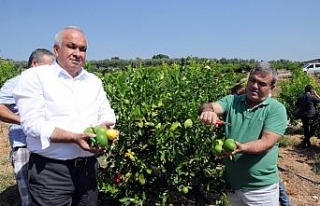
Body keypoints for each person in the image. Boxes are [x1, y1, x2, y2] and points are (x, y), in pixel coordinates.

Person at [13, 26, 116, 206]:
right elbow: (32, 124)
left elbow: (106, 114)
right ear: (56, 49)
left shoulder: (93, 81)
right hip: (51, 172)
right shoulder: (35, 77)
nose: (78, 53)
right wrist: (74, 138)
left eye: (83, 49)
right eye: (72, 46)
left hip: (88, 170)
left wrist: (106, 131)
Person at [199, 62, 288, 205]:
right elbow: (210, 106)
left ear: (272, 87)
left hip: (260, 190)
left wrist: (242, 148)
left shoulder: (276, 109)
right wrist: (208, 111)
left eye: (261, 84)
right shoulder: (232, 101)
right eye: (252, 80)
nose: (254, 86)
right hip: (232, 186)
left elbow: (266, 143)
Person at [0, 48, 55, 206]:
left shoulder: (48, 85)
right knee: (27, 192)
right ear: (34, 64)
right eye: (48, 67)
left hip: (46, 143)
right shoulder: (16, 83)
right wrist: (24, 121)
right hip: (23, 143)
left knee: (46, 190)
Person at [230, 82, 291, 205]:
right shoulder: (237, 109)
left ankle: (286, 203)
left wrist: (243, 147)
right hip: (236, 185)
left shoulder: (273, 108)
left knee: (277, 183)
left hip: (261, 185)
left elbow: (266, 143)